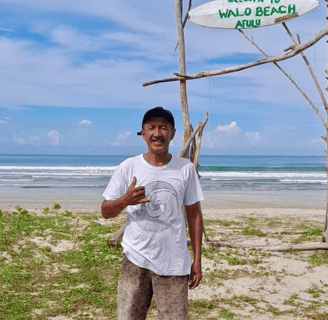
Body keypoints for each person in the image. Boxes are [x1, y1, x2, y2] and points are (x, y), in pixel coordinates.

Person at [101, 107, 204, 320]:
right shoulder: (128, 167)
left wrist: (197, 260)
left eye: (163, 128)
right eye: (152, 128)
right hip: (135, 261)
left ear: (173, 133)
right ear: (143, 133)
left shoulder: (184, 169)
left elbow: (194, 214)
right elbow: (105, 211)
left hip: (174, 264)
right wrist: (124, 201)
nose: (157, 133)